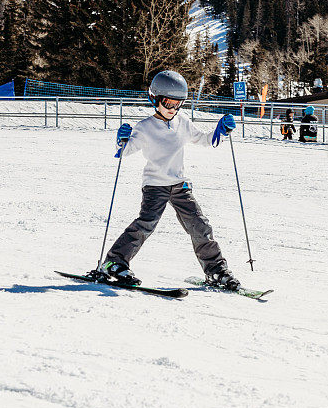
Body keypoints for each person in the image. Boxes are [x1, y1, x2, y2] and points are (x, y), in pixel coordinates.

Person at [98, 70, 241, 290]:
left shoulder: (182, 121)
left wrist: (221, 131)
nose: (173, 109)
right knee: (146, 223)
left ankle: (216, 271)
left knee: (199, 225)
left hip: (179, 184)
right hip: (155, 184)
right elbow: (124, 152)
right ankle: (114, 262)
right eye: (168, 103)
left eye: (178, 104)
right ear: (154, 99)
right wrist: (122, 140)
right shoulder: (145, 127)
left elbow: (204, 140)